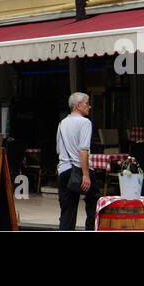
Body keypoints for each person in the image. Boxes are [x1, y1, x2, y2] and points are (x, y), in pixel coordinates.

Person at [56, 92, 96, 231]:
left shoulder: (62, 123)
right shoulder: (85, 122)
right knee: (94, 204)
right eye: (87, 103)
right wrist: (86, 174)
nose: (89, 107)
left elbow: (58, 149)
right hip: (79, 170)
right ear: (78, 106)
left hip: (63, 170)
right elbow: (83, 150)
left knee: (67, 213)